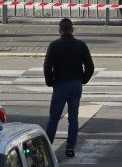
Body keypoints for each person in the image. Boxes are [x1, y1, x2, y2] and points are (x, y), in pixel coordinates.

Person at [42, 18, 94, 159]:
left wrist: (50, 81)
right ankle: (70, 148)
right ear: (72, 30)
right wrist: (82, 79)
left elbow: (47, 67)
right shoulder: (81, 45)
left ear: (59, 30)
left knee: (54, 117)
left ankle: (48, 147)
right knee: (73, 118)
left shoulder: (54, 46)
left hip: (60, 84)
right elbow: (90, 67)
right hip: (75, 84)